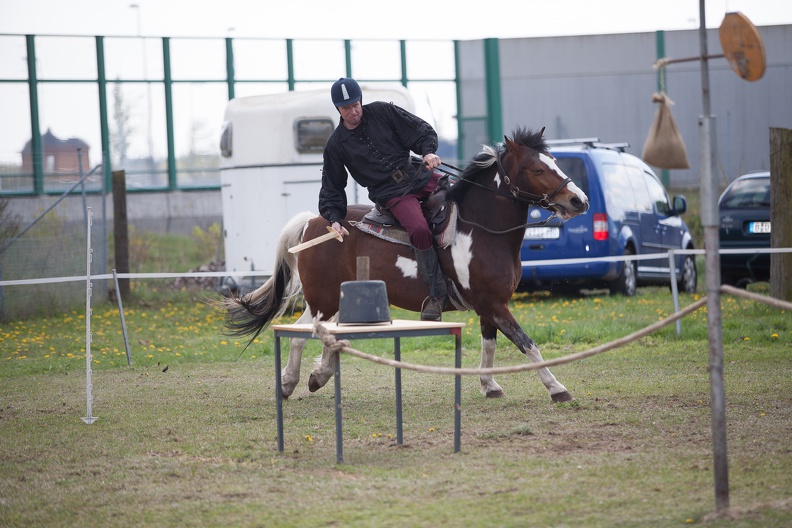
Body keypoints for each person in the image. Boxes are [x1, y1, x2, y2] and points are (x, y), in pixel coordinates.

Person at [319, 77, 448, 321]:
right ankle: (436, 293)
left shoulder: (382, 111)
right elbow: (332, 186)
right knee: (419, 229)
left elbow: (419, 130)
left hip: (418, 174)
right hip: (391, 194)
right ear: (338, 109)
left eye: (355, 104)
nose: (353, 110)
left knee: (461, 193)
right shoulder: (336, 145)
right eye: (346, 107)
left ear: (360, 101)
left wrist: (428, 151)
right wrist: (334, 218)